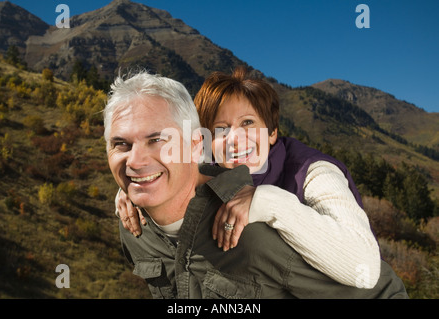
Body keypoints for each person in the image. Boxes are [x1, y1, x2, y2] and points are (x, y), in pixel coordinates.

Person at [105, 69, 408, 298]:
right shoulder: (210, 164)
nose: (235, 139)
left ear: (272, 132)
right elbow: (163, 163)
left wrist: (267, 201)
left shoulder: (314, 173)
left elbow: (364, 267)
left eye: (248, 123)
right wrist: (133, 188)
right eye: (220, 129)